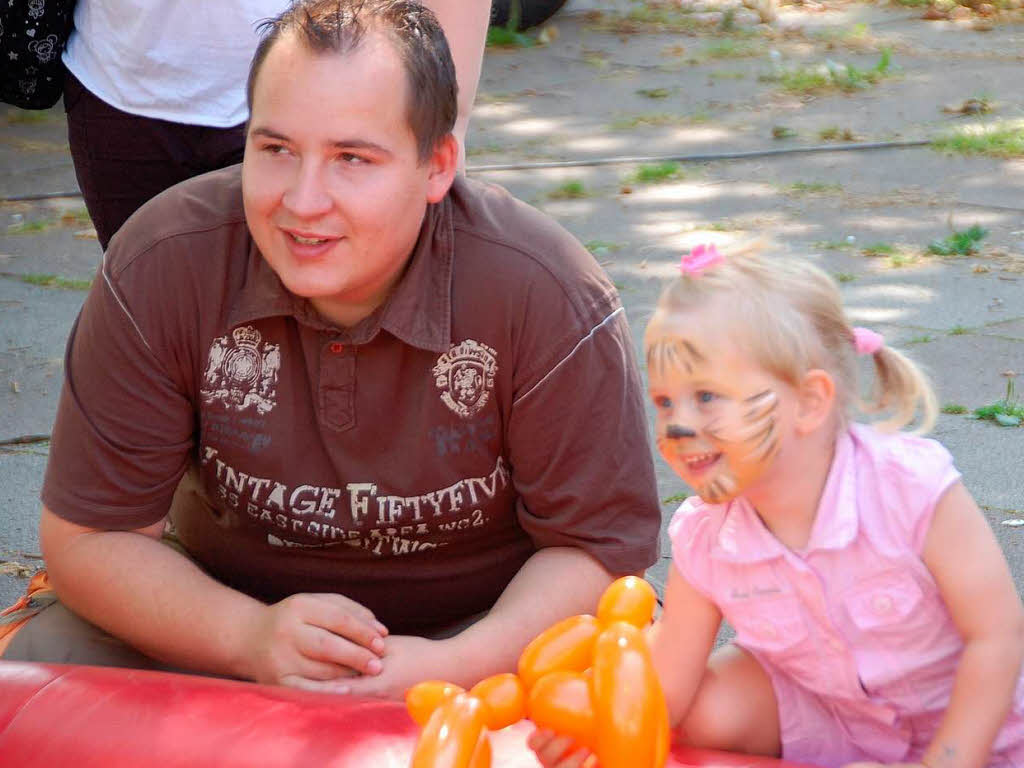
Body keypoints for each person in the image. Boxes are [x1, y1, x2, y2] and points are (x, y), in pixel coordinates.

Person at [1, 0, 661, 700]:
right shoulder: (159, 263)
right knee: (37, 678)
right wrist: (247, 639)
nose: (302, 201)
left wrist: (454, 668)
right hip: (218, 619)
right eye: (276, 149)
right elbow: (92, 540)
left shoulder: (550, 294)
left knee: (628, 685)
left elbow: (596, 555)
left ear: (438, 165)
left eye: (352, 159)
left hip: (487, 633)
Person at [529, 244, 1024, 768]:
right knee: (702, 711)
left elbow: (995, 635)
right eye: (665, 402)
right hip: (836, 721)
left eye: (707, 397)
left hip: (976, 735)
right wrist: (600, 730)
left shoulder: (911, 488)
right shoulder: (707, 536)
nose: (677, 427)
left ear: (810, 402)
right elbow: (668, 684)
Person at [62, 0, 490, 249]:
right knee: (150, 305)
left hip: (308, 91)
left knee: (311, 323)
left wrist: (447, 124)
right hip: (118, 82)